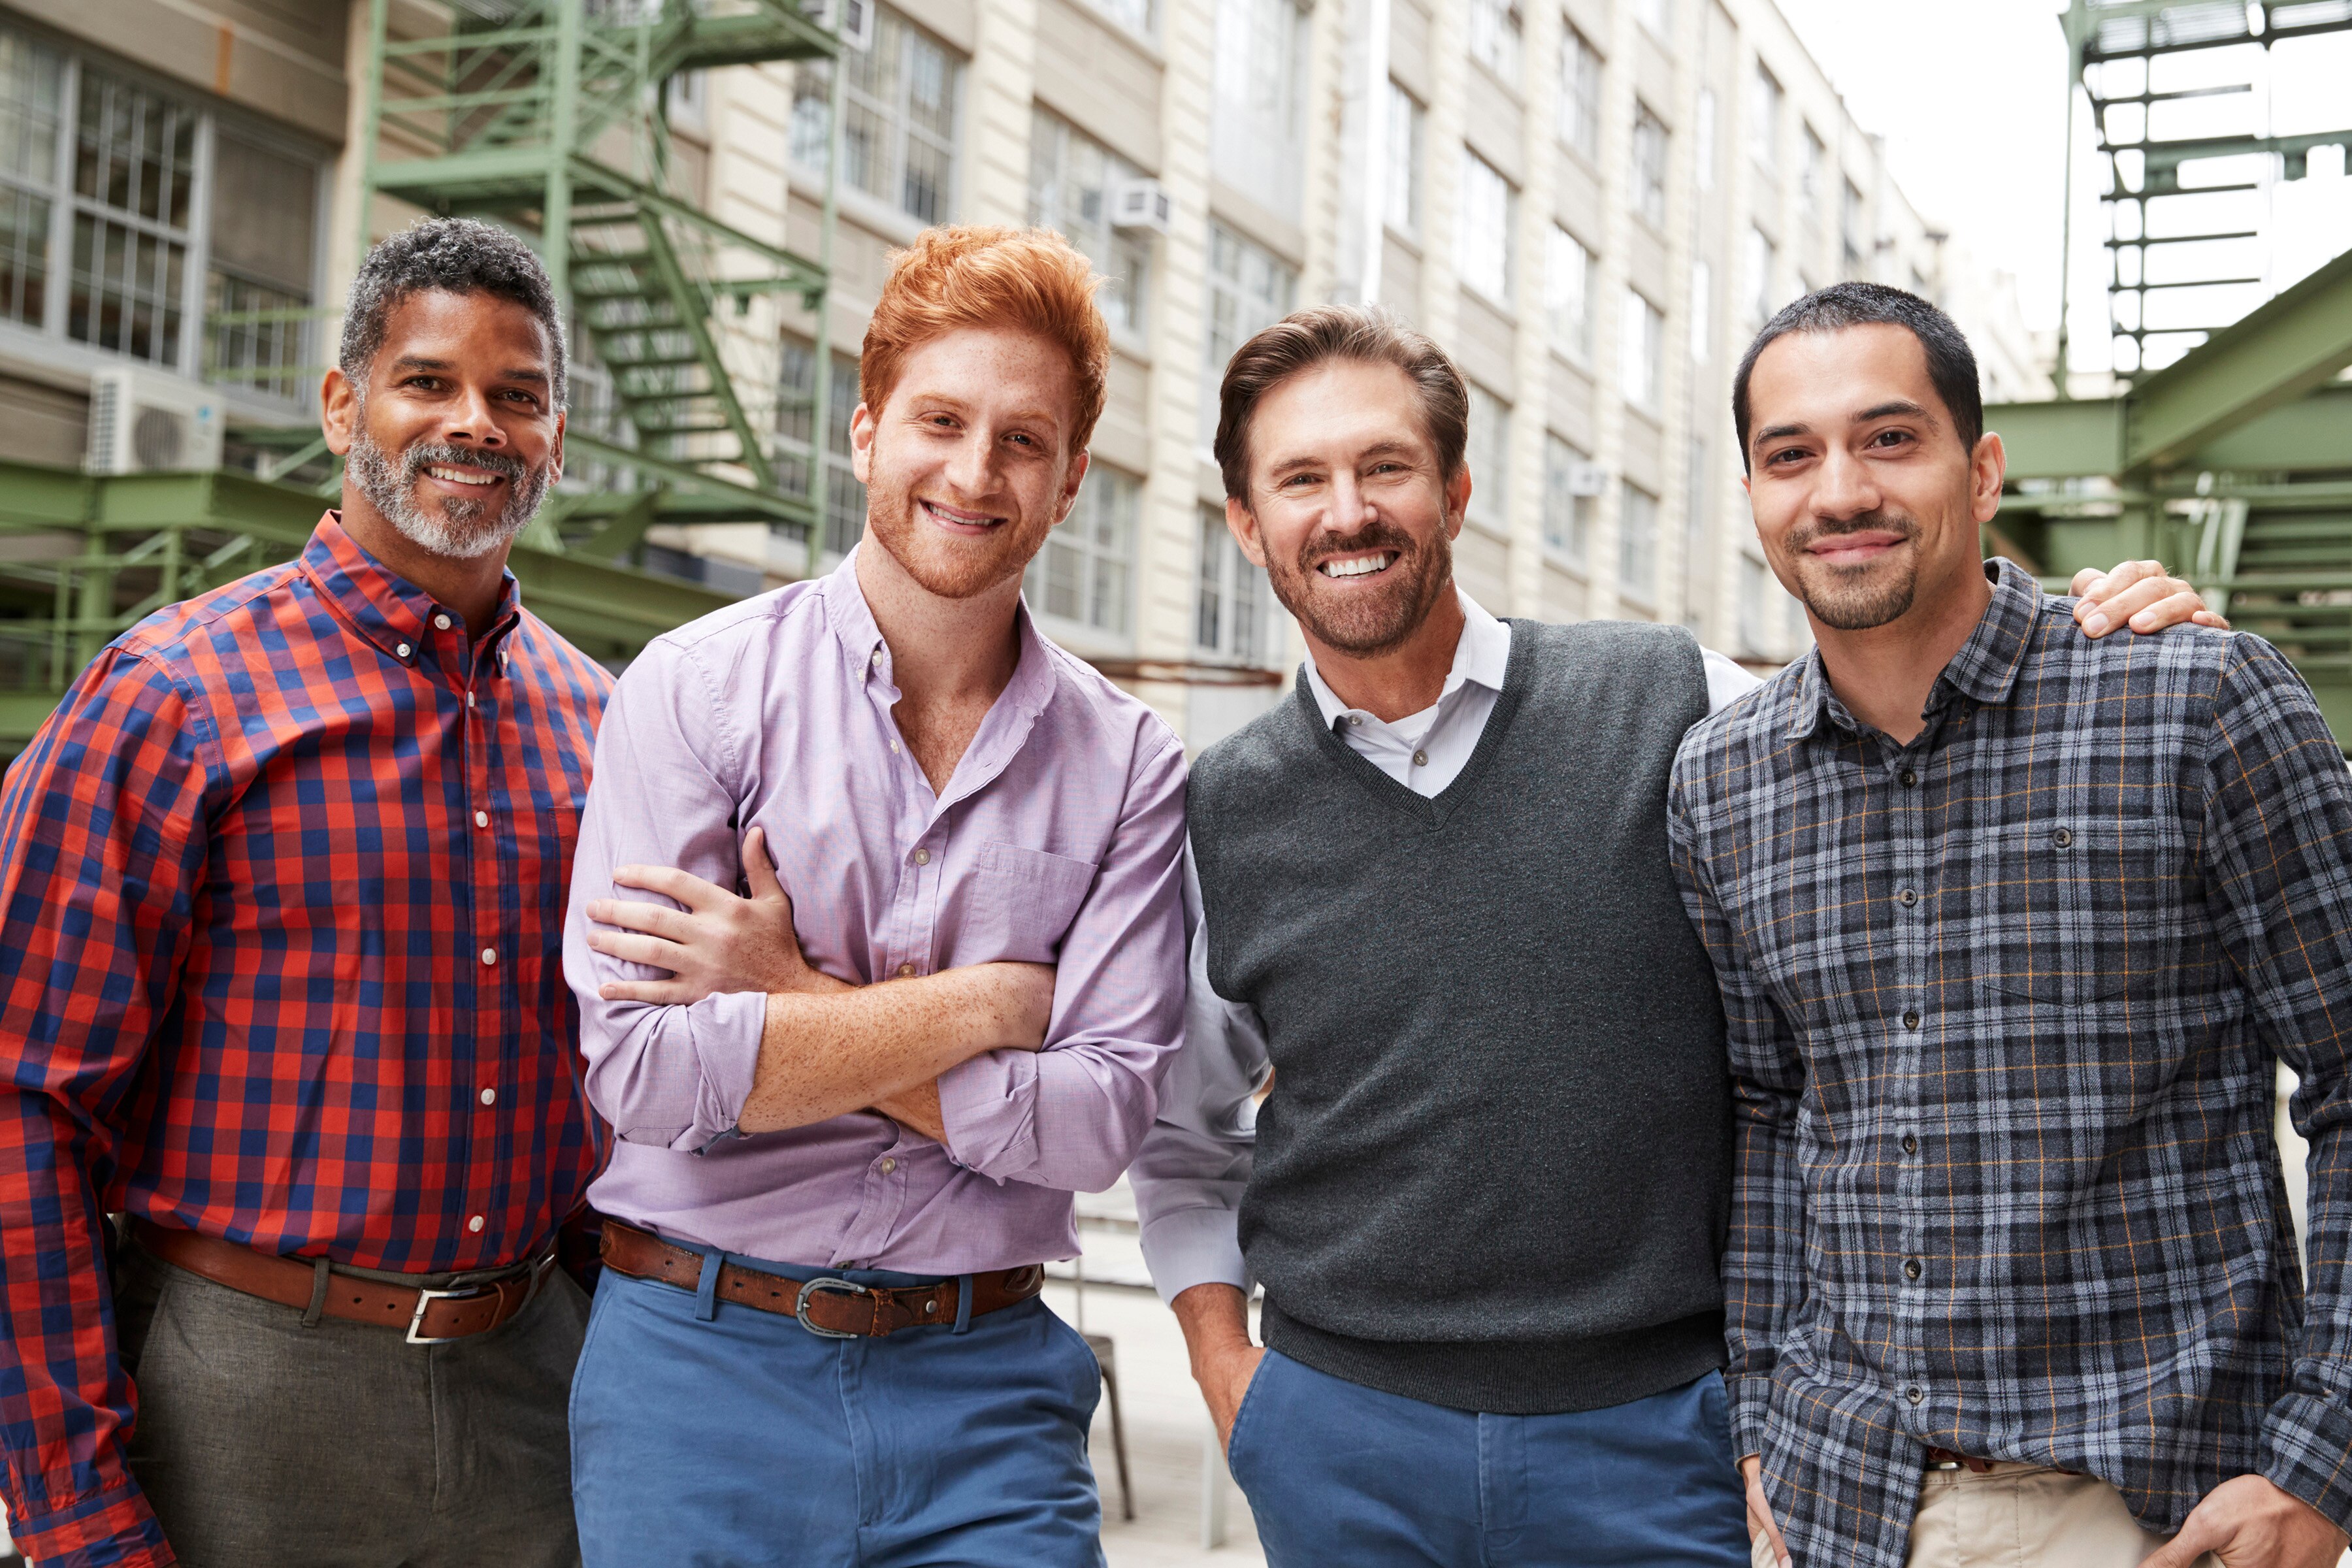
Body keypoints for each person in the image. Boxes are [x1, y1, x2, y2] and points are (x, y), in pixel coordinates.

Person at [1129, 302, 2220, 1568]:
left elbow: (1898, 740)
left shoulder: (1674, 702)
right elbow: (1181, 1134)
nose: (1349, 511)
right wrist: (1232, 1379)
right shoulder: (1222, 807)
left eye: (1385, 468)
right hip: (1343, 1440)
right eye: (1302, 479)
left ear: (1457, 490)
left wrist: (2100, 647)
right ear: (1247, 524)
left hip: (1660, 1440)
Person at [1669, 282, 2352, 1568]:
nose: (1839, 491)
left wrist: (2325, 1460)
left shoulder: (2197, 702)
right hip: (1846, 1503)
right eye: (1790, 456)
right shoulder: (1720, 783)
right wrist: (1760, 1411)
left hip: (2156, 1505)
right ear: (1756, 496)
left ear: (1981, 472)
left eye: (1889, 438)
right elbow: (1768, 1117)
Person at [559, 224, 1186, 1567]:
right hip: (697, 1379)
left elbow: (1094, 1127)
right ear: (863, 433)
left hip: (989, 1399)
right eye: (941, 421)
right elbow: (648, 1074)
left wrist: (791, 1004)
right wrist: (995, 1004)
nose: (973, 472)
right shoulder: (694, 690)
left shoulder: (1130, 765)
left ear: (1073, 479)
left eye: (1023, 440)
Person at [0, 218, 606, 1568]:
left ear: (554, 432)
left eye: (518, 396)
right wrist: (72, 1506)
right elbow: (23, 1109)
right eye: (430, 382)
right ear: (344, 402)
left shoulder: (601, 728)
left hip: (534, 1393)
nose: (477, 424)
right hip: (239, 1392)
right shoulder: (170, 698)